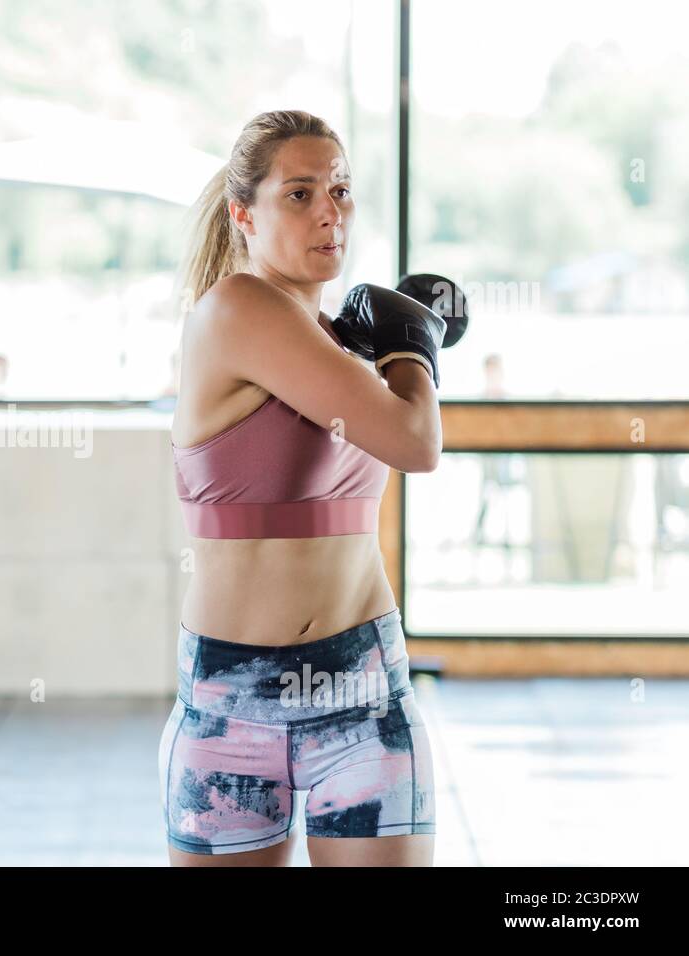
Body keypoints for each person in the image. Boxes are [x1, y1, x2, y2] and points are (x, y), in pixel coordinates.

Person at [159, 110, 443, 867]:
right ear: (242, 213)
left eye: (342, 190)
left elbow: (402, 434)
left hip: (363, 687)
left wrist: (389, 342)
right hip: (233, 705)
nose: (331, 211)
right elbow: (416, 440)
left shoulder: (337, 343)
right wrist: (414, 344)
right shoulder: (239, 310)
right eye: (301, 193)